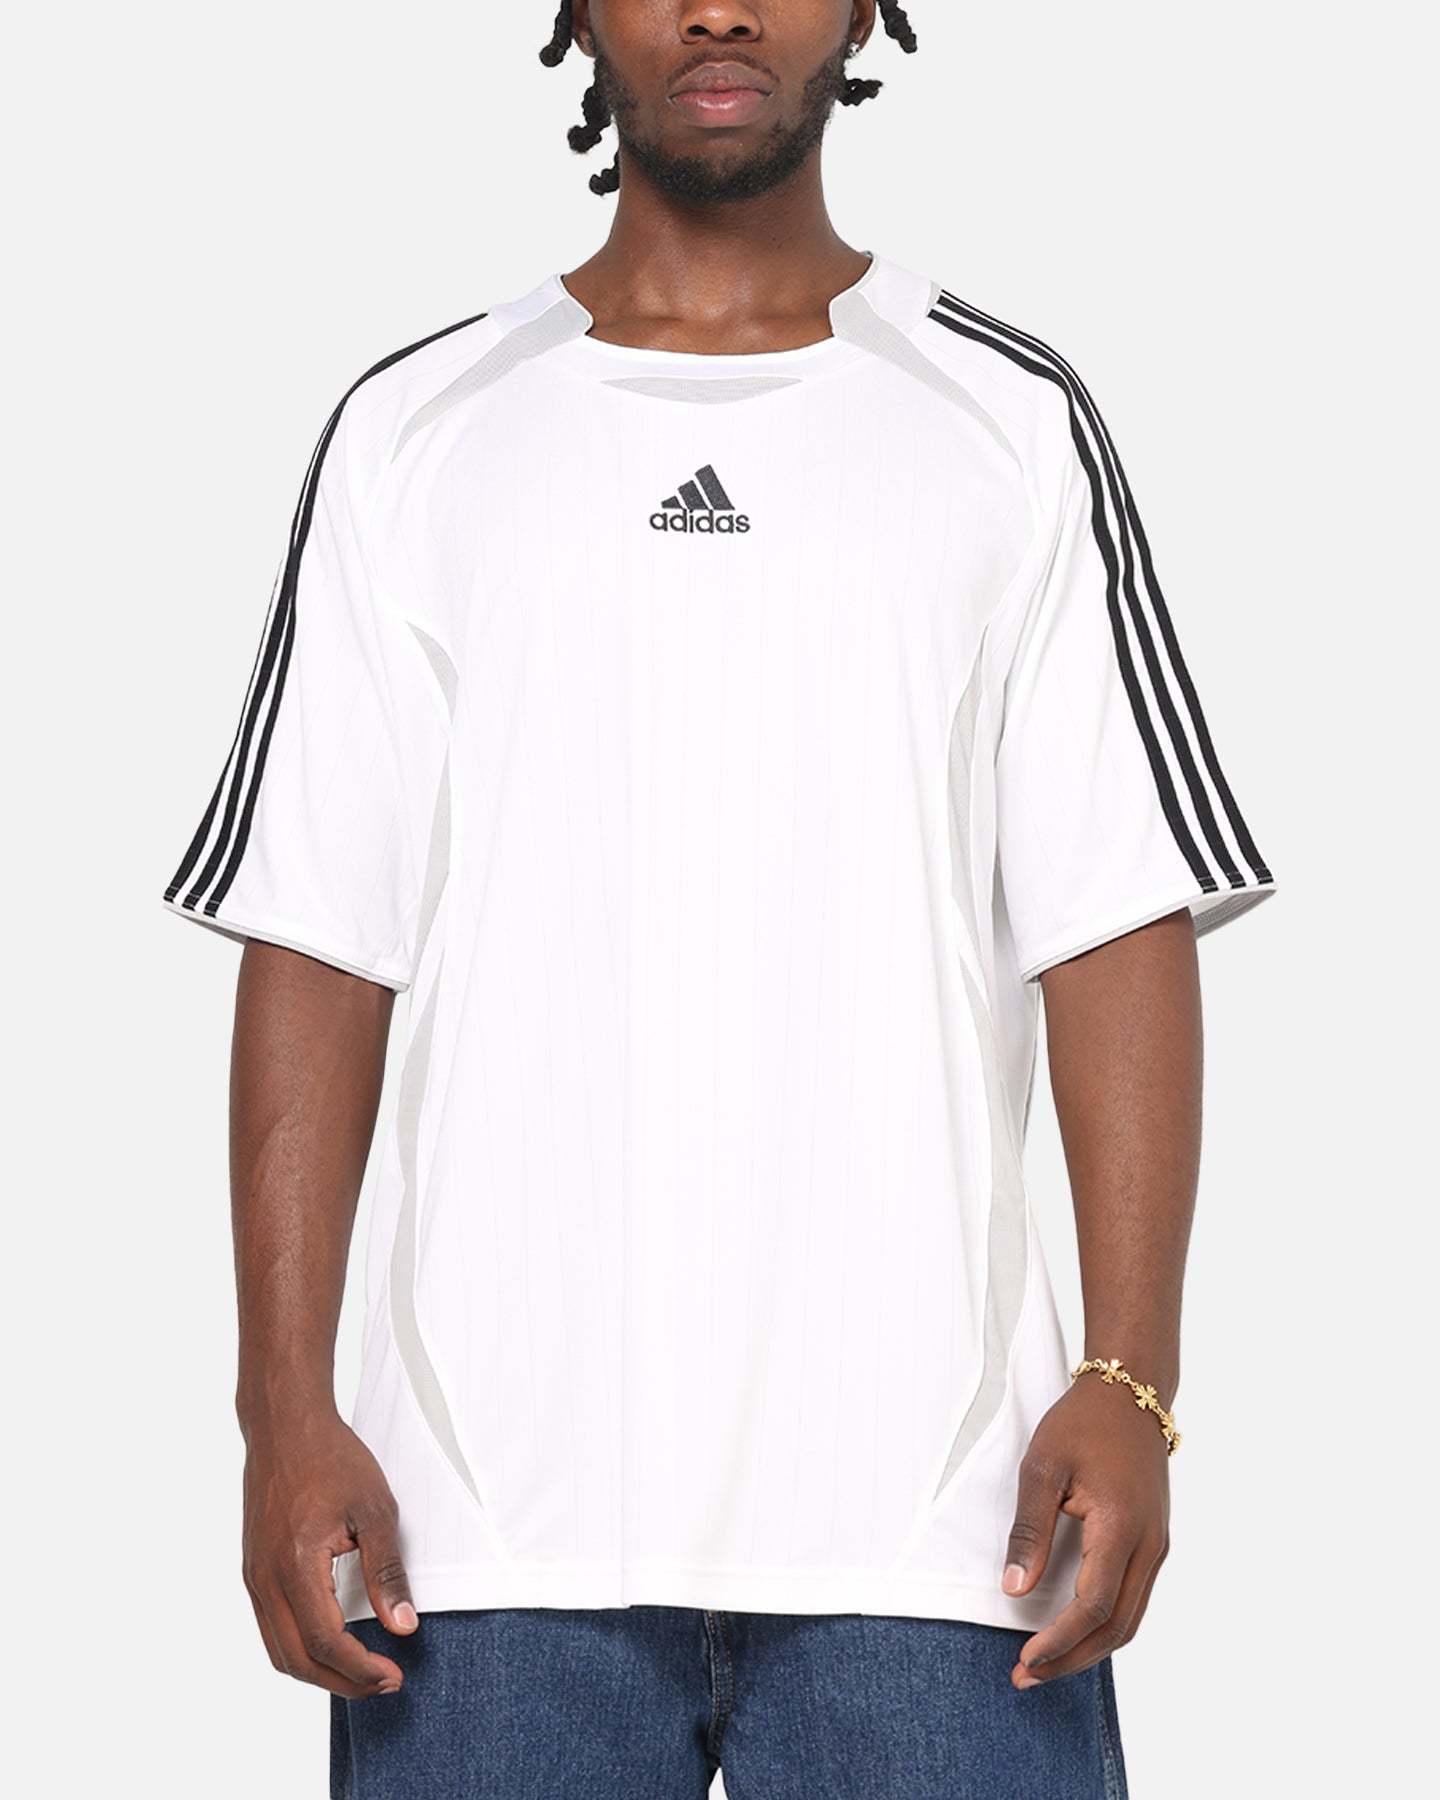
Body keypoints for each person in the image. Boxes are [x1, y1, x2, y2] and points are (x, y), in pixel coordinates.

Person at [163, 4, 1275, 1795]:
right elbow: (317, 943)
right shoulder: (415, 432)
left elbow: (1114, 921)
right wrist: (280, 1413)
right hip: (480, 1538)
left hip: (945, 1533)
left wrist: (1131, 1381)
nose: (719, 8)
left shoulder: (1008, 421)